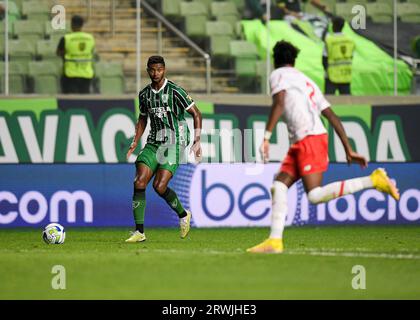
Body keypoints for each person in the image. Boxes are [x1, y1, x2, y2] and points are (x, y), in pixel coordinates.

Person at [247, 41, 399, 254]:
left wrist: (266, 136)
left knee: (314, 195)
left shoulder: (278, 75)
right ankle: (274, 241)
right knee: (279, 186)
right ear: (294, 59)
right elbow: (331, 115)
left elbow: (279, 102)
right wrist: (348, 148)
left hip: (310, 138)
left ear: (276, 60)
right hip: (302, 141)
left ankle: (373, 180)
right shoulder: (306, 80)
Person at [125, 55, 202, 243]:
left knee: (159, 186)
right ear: (147, 70)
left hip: (175, 141)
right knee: (139, 182)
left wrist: (197, 140)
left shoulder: (176, 91)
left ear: (164, 70)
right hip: (153, 142)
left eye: (159, 69)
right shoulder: (144, 95)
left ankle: (183, 215)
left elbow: (196, 113)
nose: (155, 73)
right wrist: (136, 140)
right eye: (152, 70)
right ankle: (139, 232)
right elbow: (143, 118)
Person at [56, 15, 95, 94]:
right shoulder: (90, 38)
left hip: (70, 74)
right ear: (82, 25)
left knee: (70, 102)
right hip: (86, 73)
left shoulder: (66, 38)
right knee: (84, 102)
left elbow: (58, 53)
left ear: (72, 24)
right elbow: (91, 50)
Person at [323, 16, 355, 95]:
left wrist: (327, 70)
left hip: (331, 75)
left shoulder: (329, 40)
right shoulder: (350, 40)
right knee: (347, 103)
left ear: (333, 25)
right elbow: (351, 56)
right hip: (346, 74)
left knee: (329, 102)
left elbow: (324, 59)